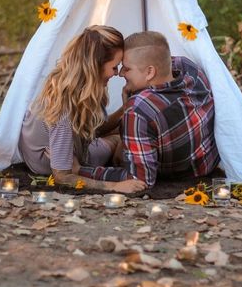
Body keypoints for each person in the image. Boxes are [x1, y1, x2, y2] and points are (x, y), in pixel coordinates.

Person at [77, 31, 219, 187]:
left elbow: (140, 180)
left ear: (150, 72)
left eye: (127, 68)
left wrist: (81, 171)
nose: (121, 73)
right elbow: (160, 58)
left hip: (180, 178)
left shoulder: (139, 109)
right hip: (206, 165)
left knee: (111, 145)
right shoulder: (190, 69)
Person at [18, 25, 146, 194]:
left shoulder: (78, 88)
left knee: (120, 131)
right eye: (114, 67)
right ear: (96, 66)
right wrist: (115, 187)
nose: (117, 73)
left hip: (77, 147)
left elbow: (94, 131)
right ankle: (116, 172)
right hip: (51, 164)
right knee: (119, 139)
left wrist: (126, 108)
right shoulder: (61, 107)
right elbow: (62, 176)